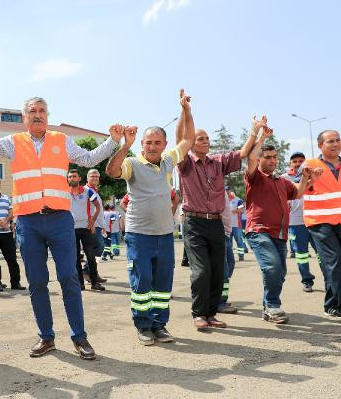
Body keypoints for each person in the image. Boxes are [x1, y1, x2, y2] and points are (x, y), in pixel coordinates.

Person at [0, 97, 121, 360]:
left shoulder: (61, 140)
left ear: (48, 116)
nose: (38, 115)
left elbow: (89, 158)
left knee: (69, 277)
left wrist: (113, 140)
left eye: (42, 111)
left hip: (59, 220)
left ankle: (79, 337)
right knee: (37, 281)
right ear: (24, 118)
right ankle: (46, 337)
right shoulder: (14, 142)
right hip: (28, 222)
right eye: (32, 111)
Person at [106, 89, 196, 345]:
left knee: (162, 282)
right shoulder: (132, 163)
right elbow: (112, 171)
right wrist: (126, 146)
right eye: (148, 143)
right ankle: (143, 325)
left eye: (157, 142)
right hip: (139, 235)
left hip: (164, 234)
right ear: (142, 144)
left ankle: (159, 325)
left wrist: (186, 110)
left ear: (164, 145)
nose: (153, 147)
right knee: (142, 280)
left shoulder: (168, 161)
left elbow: (188, 139)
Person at [177, 111, 257, 330]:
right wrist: (186, 112)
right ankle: (199, 313)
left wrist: (255, 130)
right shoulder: (185, 163)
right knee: (201, 270)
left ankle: (211, 314)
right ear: (191, 143)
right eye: (200, 138)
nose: (205, 141)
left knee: (217, 270)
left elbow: (243, 153)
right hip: (194, 223)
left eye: (207, 138)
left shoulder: (219, 162)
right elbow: (180, 139)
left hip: (216, 223)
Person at [245, 125, 312, 324]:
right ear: (259, 159)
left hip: (280, 234)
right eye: (267, 157)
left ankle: (268, 307)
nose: (272, 160)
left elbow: (298, 193)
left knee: (279, 273)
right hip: (259, 230)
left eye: (275, 157)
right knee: (272, 266)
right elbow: (250, 158)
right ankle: (274, 305)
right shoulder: (255, 177)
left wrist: (306, 178)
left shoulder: (282, 181)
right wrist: (261, 137)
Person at [301, 130, 341, 318]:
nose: (335, 144)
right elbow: (298, 190)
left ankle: (333, 302)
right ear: (320, 146)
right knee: (335, 261)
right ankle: (334, 304)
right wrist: (307, 178)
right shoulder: (310, 165)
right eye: (330, 141)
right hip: (320, 223)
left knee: (336, 263)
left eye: (338, 140)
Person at [282, 151, 318, 292]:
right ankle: (307, 280)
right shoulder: (284, 178)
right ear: (290, 164)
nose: (298, 163)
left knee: (322, 253)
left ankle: (330, 280)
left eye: (301, 161)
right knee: (301, 254)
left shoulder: (315, 175)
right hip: (296, 222)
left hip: (315, 220)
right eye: (295, 161)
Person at [67, 169, 104, 291]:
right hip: (71, 229)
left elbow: (97, 206)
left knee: (91, 256)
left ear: (79, 178)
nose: (72, 178)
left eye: (74, 176)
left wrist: (92, 222)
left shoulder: (88, 191)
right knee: (76, 258)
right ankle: (80, 283)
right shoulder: (65, 193)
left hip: (86, 228)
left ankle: (94, 282)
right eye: (70, 177)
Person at [226, 187, 247, 261]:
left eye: (227, 190)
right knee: (229, 243)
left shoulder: (238, 200)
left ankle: (241, 255)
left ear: (230, 191)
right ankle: (230, 257)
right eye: (225, 190)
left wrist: (232, 211)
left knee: (239, 241)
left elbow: (242, 210)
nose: (226, 192)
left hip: (237, 225)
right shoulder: (224, 200)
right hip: (227, 225)